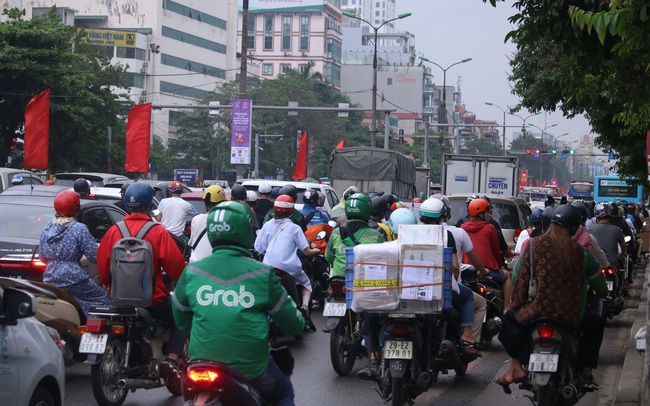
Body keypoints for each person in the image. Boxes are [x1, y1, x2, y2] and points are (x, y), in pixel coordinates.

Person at [172, 201, 304, 406]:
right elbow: (291, 321)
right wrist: (298, 323)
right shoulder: (262, 273)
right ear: (246, 231)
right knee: (282, 394)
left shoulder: (193, 271)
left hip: (199, 363)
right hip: (250, 365)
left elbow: (180, 315)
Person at [495, 204, 608, 393]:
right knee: (595, 325)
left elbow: (516, 277)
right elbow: (599, 283)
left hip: (534, 313)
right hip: (570, 316)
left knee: (508, 321)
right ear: (574, 228)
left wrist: (516, 305)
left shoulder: (532, 246)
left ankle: (515, 366)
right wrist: (603, 293)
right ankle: (586, 373)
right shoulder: (581, 252)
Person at [98, 183, 187, 366]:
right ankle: (172, 360)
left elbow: (103, 268)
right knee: (183, 315)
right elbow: (176, 269)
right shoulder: (157, 232)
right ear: (150, 205)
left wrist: (110, 289)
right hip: (152, 301)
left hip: (118, 300)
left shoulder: (114, 231)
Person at [254, 195, 320, 332]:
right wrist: (316, 251)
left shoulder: (267, 225)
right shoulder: (294, 228)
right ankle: (306, 307)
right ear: (291, 211)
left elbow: (258, 248)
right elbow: (306, 252)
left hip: (269, 268)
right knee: (307, 283)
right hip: (290, 269)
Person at [39, 189, 109, 318]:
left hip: (50, 278)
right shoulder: (78, 228)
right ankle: (95, 331)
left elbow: (42, 257)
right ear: (76, 208)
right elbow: (94, 256)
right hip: (73, 278)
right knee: (100, 298)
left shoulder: (47, 227)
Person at [430, 194, 489, 344]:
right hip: (445, 288)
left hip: (418, 289)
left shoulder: (412, 233)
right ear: (445, 215)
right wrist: (453, 284)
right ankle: (469, 338)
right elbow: (456, 266)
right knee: (475, 300)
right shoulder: (450, 233)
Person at [461, 198, 512, 309]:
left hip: (467, 271)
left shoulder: (462, 228)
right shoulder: (490, 228)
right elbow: (496, 252)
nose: (489, 214)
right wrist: (499, 266)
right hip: (487, 270)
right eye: (487, 212)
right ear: (481, 213)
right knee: (507, 276)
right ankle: (506, 308)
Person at [326, 193, 385, 278]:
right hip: (364, 282)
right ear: (368, 210)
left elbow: (328, 257)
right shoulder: (377, 236)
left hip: (338, 281)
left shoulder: (336, 233)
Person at [188, 185, 227, 262]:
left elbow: (191, 243)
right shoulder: (226, 221)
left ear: (206, 203)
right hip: (216, 266)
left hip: (195, 266)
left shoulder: (196, 220)